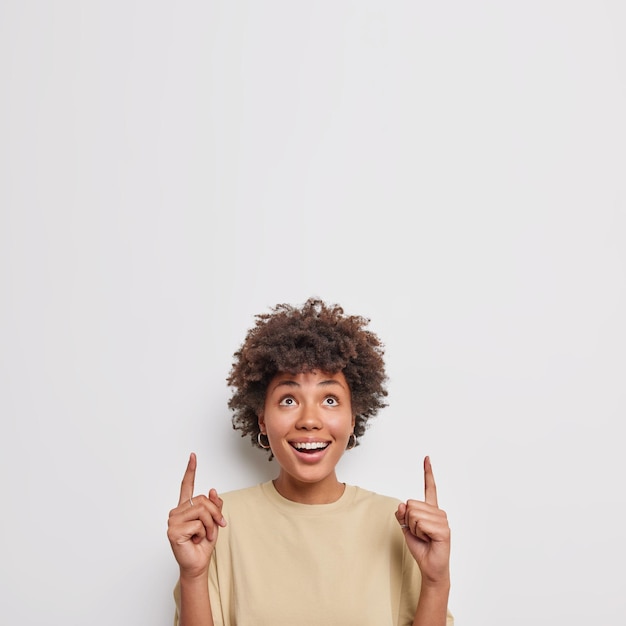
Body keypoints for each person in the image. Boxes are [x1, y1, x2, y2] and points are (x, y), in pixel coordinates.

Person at [167, 298, 454, 626]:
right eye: (288, 400)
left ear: (352, 418)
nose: (309, 420)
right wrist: (193, 575)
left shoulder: (400, 526)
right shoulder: (216, 525)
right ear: (262, 419)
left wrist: (436, 581)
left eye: (330, 400)